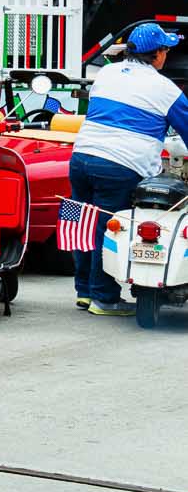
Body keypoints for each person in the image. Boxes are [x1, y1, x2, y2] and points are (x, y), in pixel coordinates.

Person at [68, 23, 188, 316]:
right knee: (109, 228)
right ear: (157, 54)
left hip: (81, 158)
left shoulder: (107, 73)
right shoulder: (164, 88)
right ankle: (104, 298)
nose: (167, 55)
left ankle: (84, 292)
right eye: (166, 50)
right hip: (120, 165)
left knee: (83, 225)